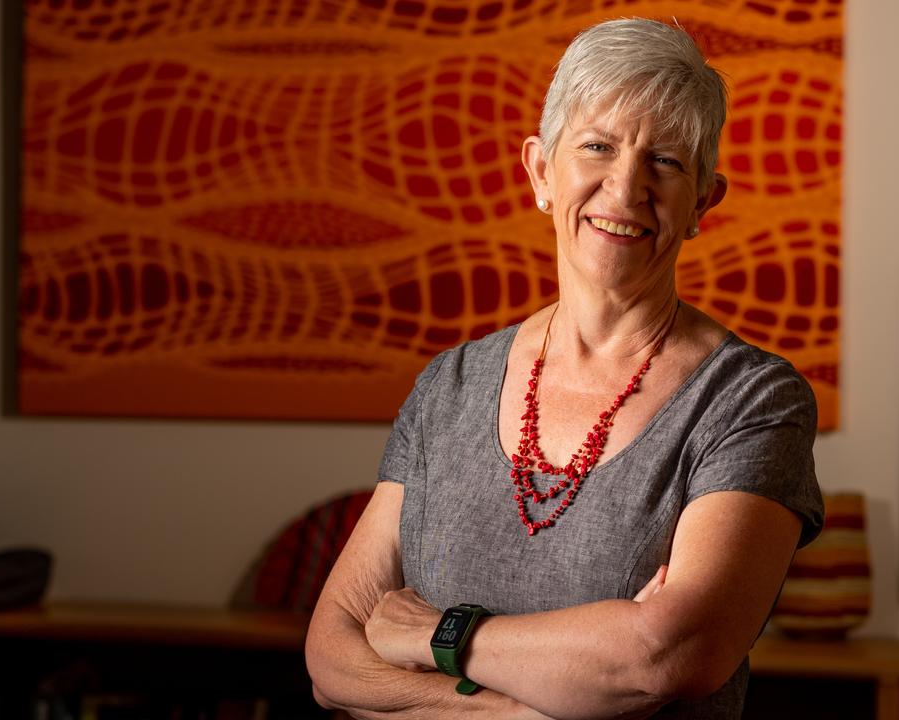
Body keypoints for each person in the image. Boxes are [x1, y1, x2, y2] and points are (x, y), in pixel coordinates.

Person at [305, 18, 823, 719]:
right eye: (598, 146)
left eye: (665, 161)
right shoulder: (449, 386)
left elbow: (667, 654)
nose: (626, 185)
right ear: (541, 172)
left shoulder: (753, 401)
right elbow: (333, 657)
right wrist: (520, 710)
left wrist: (435, 637)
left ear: (702, 200)